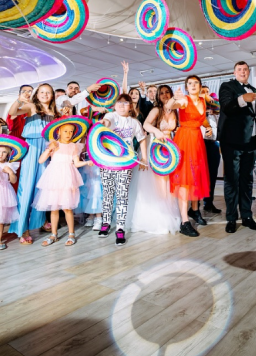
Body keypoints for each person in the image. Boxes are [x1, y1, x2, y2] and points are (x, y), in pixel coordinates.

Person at [7, 83, 60, 243]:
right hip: (32, 148)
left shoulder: (55, 112)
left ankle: (38, 222)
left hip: (47, 150)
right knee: (26, 188)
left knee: (41, 189)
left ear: (52, 95)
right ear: (37, 94)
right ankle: (22, 228)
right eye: (41, 92)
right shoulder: (31, 106)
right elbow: (12, 112)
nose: (45, 94)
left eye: (48, 92)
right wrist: (18, 100)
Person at [218, 62, 256, 233]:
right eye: (239, 69)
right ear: (234, 72)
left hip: (251, 141)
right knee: (232, 181)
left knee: (247, 180)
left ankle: (247, 216)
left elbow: (253, 113)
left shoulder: (254, 89)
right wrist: (243, 98)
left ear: (248, 72)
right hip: (232, 141)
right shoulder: (227, 86)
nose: (243, 72)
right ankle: (231, 218)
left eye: (245, 69)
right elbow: (227, 107)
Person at [128, 84, 181, 235]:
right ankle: (158, 218)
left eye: (167, 92)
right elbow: (146, 125)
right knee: (158, 183)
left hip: (169, 148)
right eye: (161, 93)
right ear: (158, 96)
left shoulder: (175, 110)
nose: (164, 95)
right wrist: (157, 131)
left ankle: (169, 213)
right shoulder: (156, 110)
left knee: (168, 183)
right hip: (155, 147)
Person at [100, 94, 149, 245]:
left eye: (125, 102)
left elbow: (142, 139)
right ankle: (106, 222)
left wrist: (144, 158)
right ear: (115, 105)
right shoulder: (111, 116)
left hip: (125, 162)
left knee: (122, 194)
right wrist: (104, 123)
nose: (122, 105)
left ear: (130, 106)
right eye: (119, 102)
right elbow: (107, 121)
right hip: (107, 161)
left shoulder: (134, 122)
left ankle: (120, 228)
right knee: (107, 193)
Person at [167, 77, 213, 237]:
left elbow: (202, 118)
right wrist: (174, 98)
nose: (193, 85)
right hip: (185, 140)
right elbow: (170, 106)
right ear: (186, 87)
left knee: (196, 176)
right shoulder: (184, 100)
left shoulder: (202, 100)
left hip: (197, 140)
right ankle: (184, 222)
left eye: (195, 83)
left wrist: (208, 127)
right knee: (185, 180)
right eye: (190, 83)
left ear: (200, 86)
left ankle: (195, 210)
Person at [34, 123, 91, 247]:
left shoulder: (74, 146)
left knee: (67, 208)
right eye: (65, 131)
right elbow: (41, 160)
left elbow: (76, 163)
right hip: (54, 178)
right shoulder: (54, 144)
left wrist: (87, 163)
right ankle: (53, 234)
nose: (68, 134)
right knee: (54, 208)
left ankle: (71, 234)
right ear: (59, 131)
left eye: (71, 131)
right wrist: (49, 149)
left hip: (67, 178)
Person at [201, 98, 222, 214]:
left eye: (207, 92)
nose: (206, 94)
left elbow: (219, 107)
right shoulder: (197, 112)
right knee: (199, 175)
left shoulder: (215, 112)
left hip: (213, 144)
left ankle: (209, 203)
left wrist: (212, 106)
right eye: (203, 91)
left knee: (212, 175)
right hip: (201, 144)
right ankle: (194, 205)